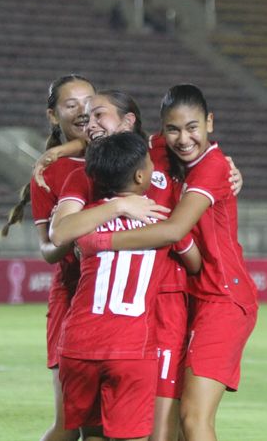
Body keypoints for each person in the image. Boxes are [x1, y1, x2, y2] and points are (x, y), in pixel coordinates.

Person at [53, 84, 259, 441]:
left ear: (209, 122)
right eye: (173, 129)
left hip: (218, 294)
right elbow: (56, 237)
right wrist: (60, 149)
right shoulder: (148, 152)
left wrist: (100, 241)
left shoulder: (208, 165)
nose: (182, 137)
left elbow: (176, 231)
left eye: (99, 114)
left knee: (189, 421)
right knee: (149, 428)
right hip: (169, 301)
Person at [54, 131, 201, 441]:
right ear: (139, 175)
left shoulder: (87, 220)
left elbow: (61, 234)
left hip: (79, 346)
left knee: (91, 435)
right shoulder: (162, 221)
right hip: (130, 349)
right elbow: (194, 261)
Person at [0, 74, 94, 441]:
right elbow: (48, 250)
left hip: (123, 301)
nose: (83, 111)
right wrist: (74, 237)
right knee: (71, 426)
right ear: (53, 116)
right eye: (71, 105)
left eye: (90, 102)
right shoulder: (49, 173)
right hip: (73, 297)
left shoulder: (118, 157)